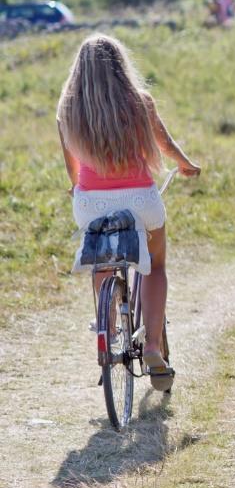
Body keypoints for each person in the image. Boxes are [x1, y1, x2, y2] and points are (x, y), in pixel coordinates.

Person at [57, 34, 201, 388]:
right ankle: (153, 345)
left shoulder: (67, 109)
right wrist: (186, 165)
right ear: (121, 67)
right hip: (140, 201)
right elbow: (164, 144)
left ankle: (105, 330)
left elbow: (72, 170)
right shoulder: (141, 102)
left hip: (90, 203)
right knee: (155, 266)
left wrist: (80, 189)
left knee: (101, 263)